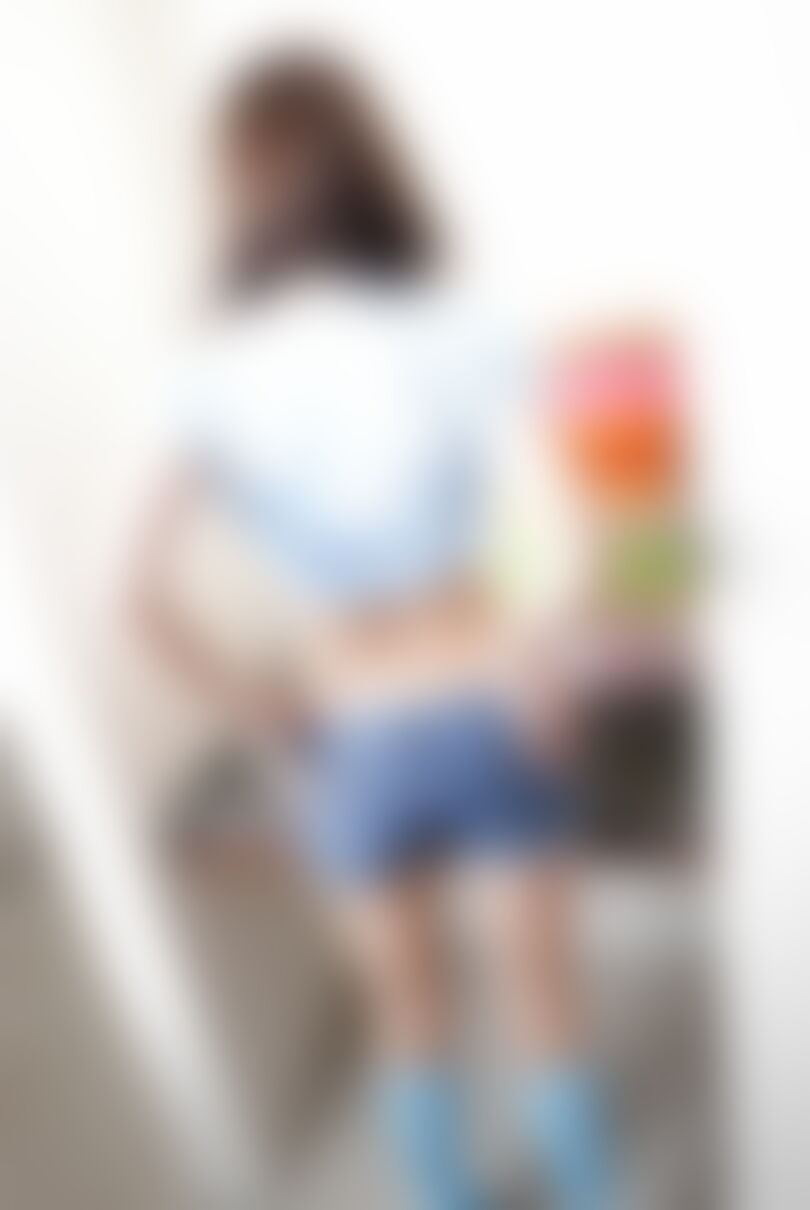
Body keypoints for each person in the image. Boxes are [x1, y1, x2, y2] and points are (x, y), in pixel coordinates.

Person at [131, 48, 613, 1210]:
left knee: (406, 1009)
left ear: (241, 191)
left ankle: (446, 1193)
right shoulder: (465, 327)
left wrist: (265, 707)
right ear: (374, 165)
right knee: (545, 991)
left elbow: (138, 597)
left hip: (350, 726)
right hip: (486, 691)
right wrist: (542, 662)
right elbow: (578, 535)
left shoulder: (211, 378)